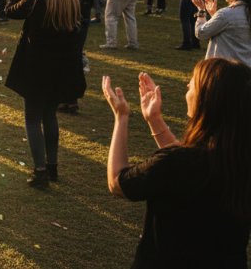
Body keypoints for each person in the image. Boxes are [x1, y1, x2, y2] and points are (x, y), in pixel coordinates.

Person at [102, 60, 251, 268]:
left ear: (208, 100)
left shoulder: (178, 163)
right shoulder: (237, 159)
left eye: (193, 84)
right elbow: (191, 165)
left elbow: (118, 182)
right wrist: (154, 120)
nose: (187, 87)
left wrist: (121, 117)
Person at [4, 0, 84, 187]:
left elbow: (9, 11)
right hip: (61, 69)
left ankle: (40, 171)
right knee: (49, 115)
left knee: (32, 119)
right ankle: (52, 167)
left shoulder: (35, 0)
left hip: (36, 69)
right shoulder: (74, 0)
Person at [193, 0, 251, 66]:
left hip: (224, 72)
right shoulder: (244, 13)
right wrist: (214, 15)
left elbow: (201, 33)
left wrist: (201, 11)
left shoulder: (226, 14)